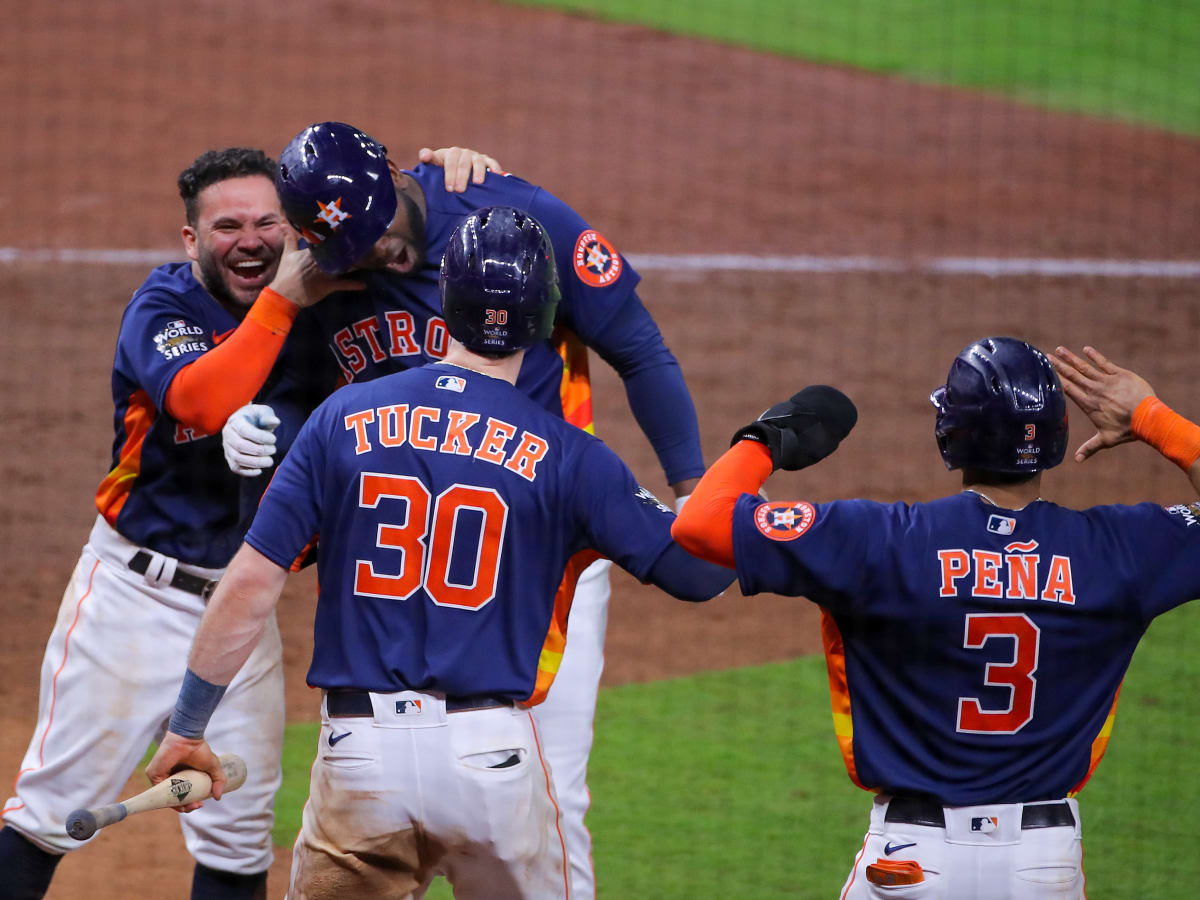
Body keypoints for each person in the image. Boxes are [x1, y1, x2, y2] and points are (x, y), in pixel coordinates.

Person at [145, 206, 734, 899]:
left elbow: (247, 586)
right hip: (490, 762)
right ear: (546, 318)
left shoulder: (343, 417)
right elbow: (698, 575)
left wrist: (188, 727)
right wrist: (747, 460)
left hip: (358, 758)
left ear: (445, 301)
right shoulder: (572, 456)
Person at [0, 144, 502, 900]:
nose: (252, 240)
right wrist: (285, 303)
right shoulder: (164, 306)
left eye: (269, 222)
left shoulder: (336, 304)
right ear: (192, 241)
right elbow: (202, 399)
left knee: (238, 837)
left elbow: (394, 212)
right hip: (134, 600)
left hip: (241, 607)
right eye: (228, 225)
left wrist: (450, 166)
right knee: (49, 813)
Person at [671, 337, 1200, 899]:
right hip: (1043, 869)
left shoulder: (881, 541)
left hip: (909, 864)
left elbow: (698, 523)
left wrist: (767, 440)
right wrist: (1152, 418)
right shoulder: (1122, 550)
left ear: (952, 434)